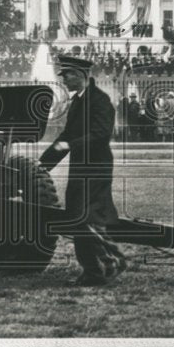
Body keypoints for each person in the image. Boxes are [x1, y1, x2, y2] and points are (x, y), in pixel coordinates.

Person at [40, 54, 127, 286]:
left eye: (67, 75)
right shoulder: (79, 101)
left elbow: (100, 134)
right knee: (80, 218)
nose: (64, 79)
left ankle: (107, 263)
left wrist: (71, 145)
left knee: (88, 218)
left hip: (95, 169)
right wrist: (42, 165)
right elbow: (66, 135)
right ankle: (96, 269)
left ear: (80, 75)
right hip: (81, 169)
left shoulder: (100, 101)